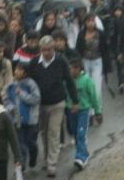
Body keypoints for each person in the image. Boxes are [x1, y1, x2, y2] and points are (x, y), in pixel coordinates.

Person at [27, 36, 78, 178]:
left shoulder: (61, 61)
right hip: (41, 104)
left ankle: (52, 164)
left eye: (49, 50)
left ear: (53, 49)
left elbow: (69, 81)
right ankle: (47, 157)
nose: (46, 53)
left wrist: (75, 100)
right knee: (44, 133)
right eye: (43, 50)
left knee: (54, 133)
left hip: (57, 103)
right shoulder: (34, 63)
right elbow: (29, 82)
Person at [65, 58, 101, 170]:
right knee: (75, 133)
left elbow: (94, 96)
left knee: (81, 133)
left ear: (79, 68)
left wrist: (97, 112)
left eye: (74, 68)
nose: (72, 71)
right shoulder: (67, 81)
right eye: (70, 68)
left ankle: (81, 157)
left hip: (83, 111)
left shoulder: (86, 81)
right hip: (71, 111)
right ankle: (83, 152)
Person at [4, 62, 40, 172]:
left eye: (20, 70)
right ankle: (21, 164)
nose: (16, 72)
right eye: (16, 69)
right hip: (16, 120)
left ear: (25, 73)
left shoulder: (31, 84)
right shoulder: (11, 85)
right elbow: (6, 99)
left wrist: (21, 94)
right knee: (20, 144)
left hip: (30, 120)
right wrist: (11, 108)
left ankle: (33, 156)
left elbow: (35, 99)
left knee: (30, 142)